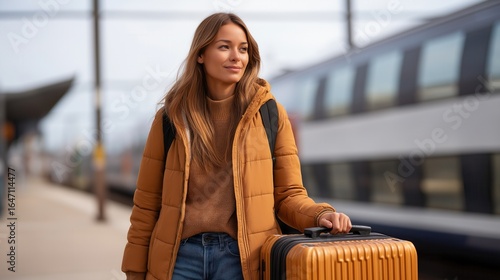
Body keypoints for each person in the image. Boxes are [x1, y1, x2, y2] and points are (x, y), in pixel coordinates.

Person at [121, 12, 352, 280]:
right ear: (200, 54)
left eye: (243, 49)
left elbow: (288, 195)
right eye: (224, 47)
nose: (236, 57)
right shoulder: (171, 119)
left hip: (242, 260)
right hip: (179, 259)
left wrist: (319, 214)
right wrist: (135, 270)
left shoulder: (270, 115)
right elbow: (147, 205)